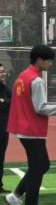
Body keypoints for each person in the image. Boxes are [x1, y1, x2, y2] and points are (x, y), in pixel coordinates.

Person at [4, 46, 56, 205]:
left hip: (23, 127)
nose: (51, 64)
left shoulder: (22, 76)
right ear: (40, 60)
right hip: (31, 128)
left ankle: (16, 196)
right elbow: (40, 108)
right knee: (40, 166)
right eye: (49, 61)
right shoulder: (36, 80)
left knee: (40, 165)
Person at [0, 65, 9, 193]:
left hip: (3, 128)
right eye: (0, 72)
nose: (3, 73)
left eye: (3, 71)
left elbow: (12, 103)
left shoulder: (6, 89)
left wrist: (3, 101)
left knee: (1, 156)